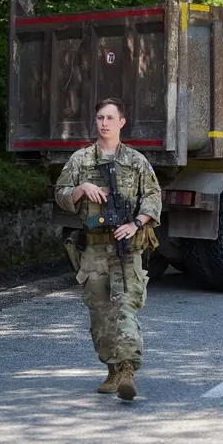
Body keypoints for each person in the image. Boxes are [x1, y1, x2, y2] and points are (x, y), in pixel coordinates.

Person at [54, 97, 161, 401]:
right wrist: (80, 189)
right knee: (100, 313)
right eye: (100, 117)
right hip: (94, 248)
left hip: (126, 245)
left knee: (125, 305)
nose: (104, 123)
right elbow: (60, 193)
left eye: (110, 118)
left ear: (121, 123)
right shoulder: (81, 160)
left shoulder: (136, 161)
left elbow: (153, 197)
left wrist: (137, 223)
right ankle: (112, 370)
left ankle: (128, 370)